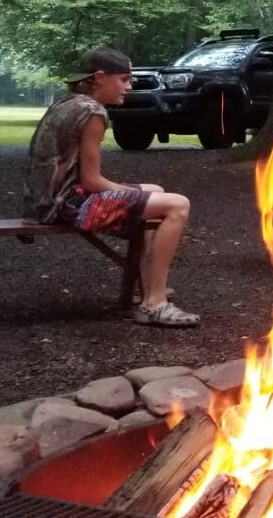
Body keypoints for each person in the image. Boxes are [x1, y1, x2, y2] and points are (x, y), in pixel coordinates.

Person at [23, 47, 200, 328]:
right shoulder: (93, 113)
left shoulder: (69, 103)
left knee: (157, 190)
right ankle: (155, 303)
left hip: (46, 201)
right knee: (178, 205)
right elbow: (92, 182)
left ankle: (150, 286)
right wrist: (135, 196)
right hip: (64, 205)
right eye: (124, 79)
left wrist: (140, 195)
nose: (129, 86)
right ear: (101, 78)